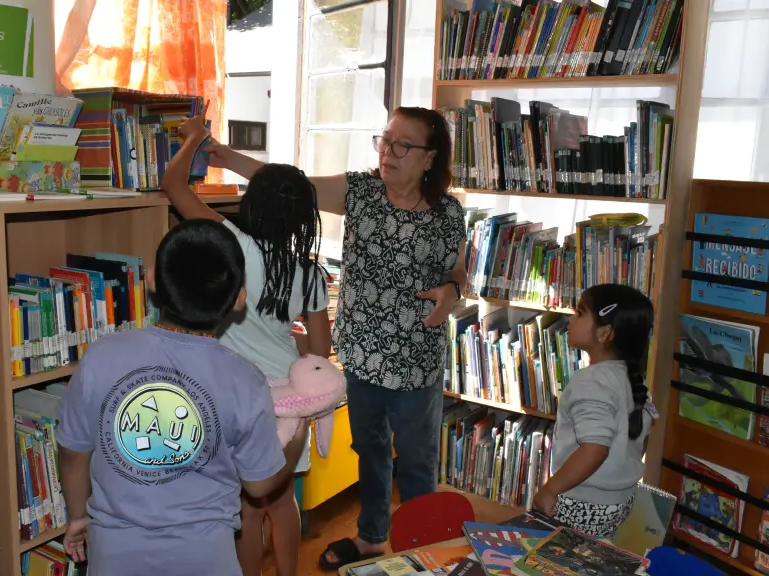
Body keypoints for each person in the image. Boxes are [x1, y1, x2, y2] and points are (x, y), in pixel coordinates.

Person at [202, 106, 467, 570]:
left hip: (416, 361)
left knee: (417, 462)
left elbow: (459, 275)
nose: (389, 153)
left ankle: (423, 552)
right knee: (369, 449)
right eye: (385, 141)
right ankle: (371, 538)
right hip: (363, 355)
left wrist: (452, 290)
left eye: (403, 145)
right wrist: (224, 156)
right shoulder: (361, 191)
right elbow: (285, 183)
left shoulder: (448, 214)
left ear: (429, 158)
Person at [55, 218, 309, 575]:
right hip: (207, 558)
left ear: (151, 282)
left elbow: (71, 450)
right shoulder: (244, 379)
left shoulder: (101, 356)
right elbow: (258, 484)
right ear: (239, 299)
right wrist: (297, 438)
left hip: (115, 556)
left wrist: (79, 515)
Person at [160, 116, 332, 576]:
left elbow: (173, 185)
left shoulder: (234, 244)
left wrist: (196, 135)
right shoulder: (310, 274)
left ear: (252, 206)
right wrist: (285, 334)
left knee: (248, 507)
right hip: (289, 399)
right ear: (303, 218)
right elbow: (318, 349)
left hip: (239, 394)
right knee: (281, 502)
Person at [532, 283, 657, 539]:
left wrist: (550, 489)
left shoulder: (590, 382)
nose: (570, 318)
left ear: (604, 334)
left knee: (555, 558)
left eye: (579, 312)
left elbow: (595, 448)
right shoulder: (632, 380)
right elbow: (641, 437)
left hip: (582, 501)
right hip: (621, 500)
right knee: (594, 554)